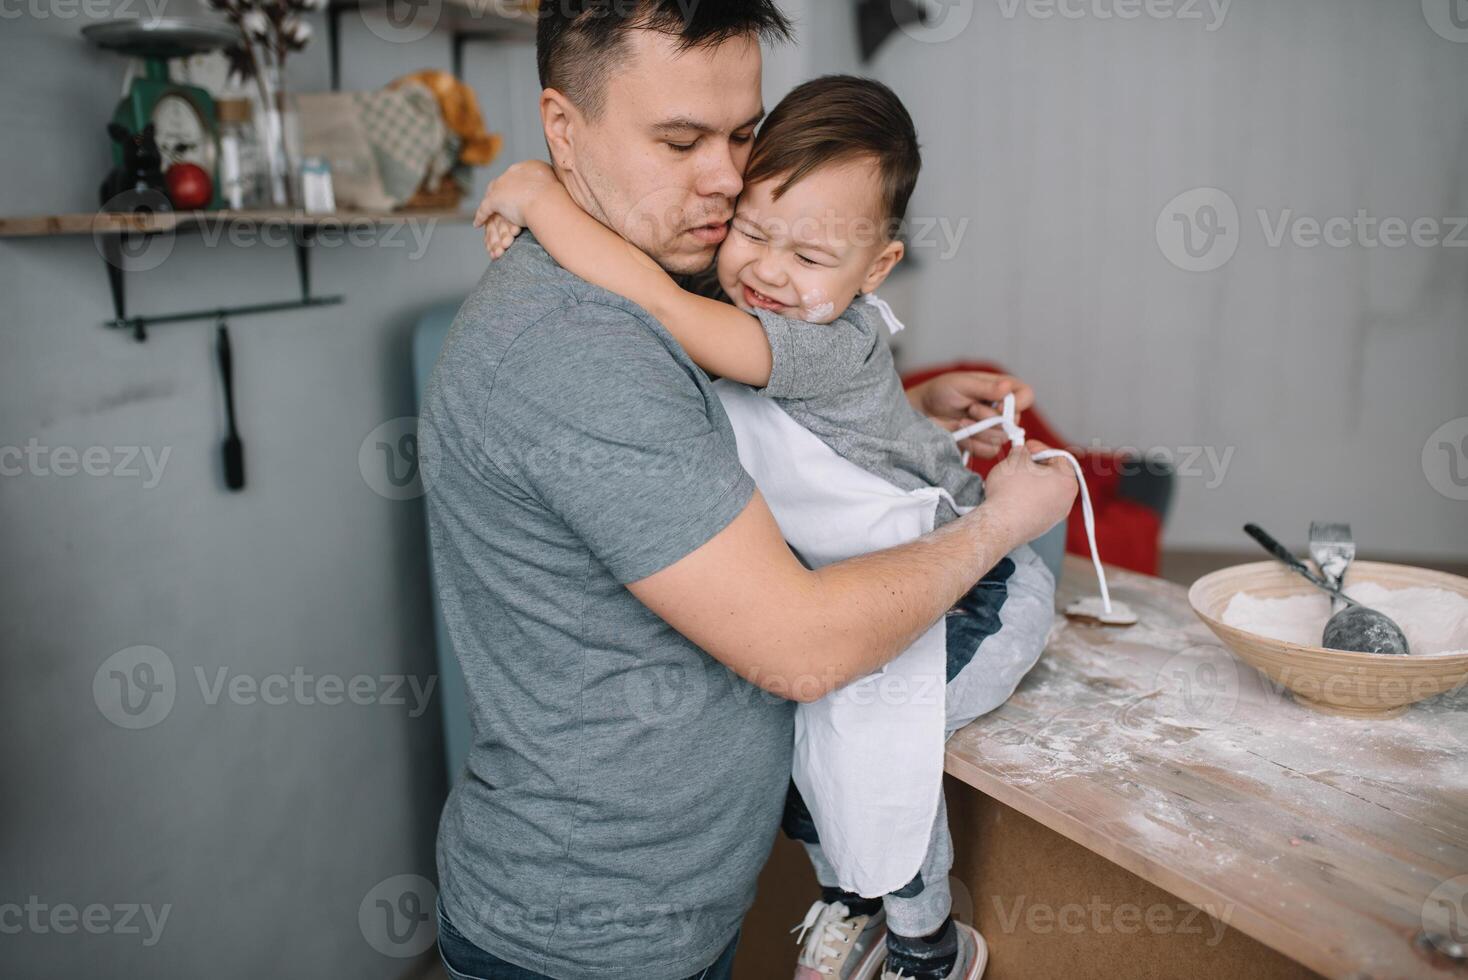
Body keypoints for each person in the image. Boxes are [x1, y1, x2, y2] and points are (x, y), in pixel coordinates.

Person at [421, 4, 1077, 979]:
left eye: (741, 135)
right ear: (563, 128)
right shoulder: (579, 347)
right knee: (877, 735)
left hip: (665, 909)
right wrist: (999, 524)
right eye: (680, 140)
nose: (729, 178)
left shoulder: (675, 276)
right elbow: (805, 647)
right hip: (587, 940)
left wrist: (896, 410)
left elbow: (765, 398)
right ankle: (917, 935)